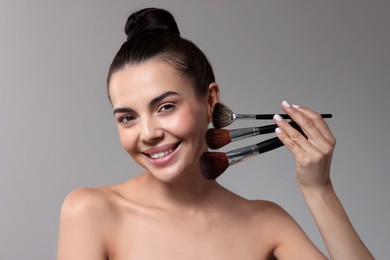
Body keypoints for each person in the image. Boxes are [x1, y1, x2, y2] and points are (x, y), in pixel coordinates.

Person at [57, 7, 373, 259]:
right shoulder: (92, 212)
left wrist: (319, 188)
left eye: (165, 107)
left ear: (210, 102)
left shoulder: (266, 223)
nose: (148, 133)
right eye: (127, 118)